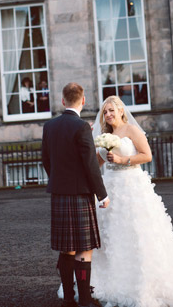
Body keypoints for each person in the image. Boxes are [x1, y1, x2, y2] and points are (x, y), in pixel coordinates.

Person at [89, 96, 173, 307]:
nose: (108, 115)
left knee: (136, 233)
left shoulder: (131, 130)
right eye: (105, 112)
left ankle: (143, 282)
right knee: (110, 235)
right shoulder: (104, 135)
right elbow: (95, 163)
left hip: (131, 187)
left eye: (111, 111)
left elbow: (147, 156)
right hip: (110, 188)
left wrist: (122, 160)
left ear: (121, 112)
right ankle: (112, 278)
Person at [42, 83, 109, 307]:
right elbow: (91, 165)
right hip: (80, 195)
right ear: (83, 101)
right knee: (83, 247)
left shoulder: (49, 126)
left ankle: (69, 300)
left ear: (63, 101)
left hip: (59, 193)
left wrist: (58, 180)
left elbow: (46, 160)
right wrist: (102, 195)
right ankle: (86, 300)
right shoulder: (81, 127)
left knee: (66, 247)